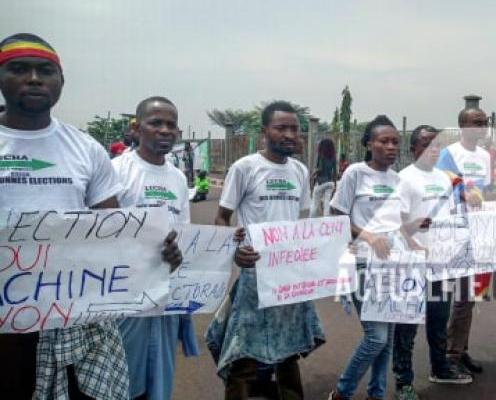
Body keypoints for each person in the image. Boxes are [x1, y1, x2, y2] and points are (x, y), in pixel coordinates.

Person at [0, 32, 182, 400]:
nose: (34, 79)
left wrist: (158, 255)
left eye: (46, 71)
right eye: (19, 69)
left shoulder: (85, 149)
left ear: (61, 82)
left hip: (73, 316)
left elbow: (113, 234)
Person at [205, 101, 324, 400]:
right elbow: (222, 217)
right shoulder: (245, 168)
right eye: (281, 127)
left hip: (288, 275)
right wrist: (234, 250)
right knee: (243, 353)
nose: (289, 134)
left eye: (294, 129)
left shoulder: (299, 170)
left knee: (288, 350)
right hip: (254, 276)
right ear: (265, 131)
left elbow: (302, 223)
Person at [113, 96, 199, 400]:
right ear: (136, 129)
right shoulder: (116, 171)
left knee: (160, 379)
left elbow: (184, 231)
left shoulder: (177, 177)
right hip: (124, 296)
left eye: (171, 125)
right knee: (123, 379)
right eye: (156, 123)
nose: (165, 130)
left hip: (164, 294)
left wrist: (178, 254)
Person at [329, 115, 411, 400]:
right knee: (375, 336)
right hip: (361, 261)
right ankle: (342, 392)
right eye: (384, 141)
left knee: (386, 337)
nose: (391, 147)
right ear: (368, 144)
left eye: (395, 143)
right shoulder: (355, 173)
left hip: (392, 265)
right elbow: (337, 215)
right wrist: (369, 237)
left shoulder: (397, 179)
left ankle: (377, 392)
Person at [392, 125, 473, 399]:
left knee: (439, 320)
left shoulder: (446, 179)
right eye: (426, 145)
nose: (432, 150)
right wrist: (412, 226)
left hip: (441, 263)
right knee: (407, 326)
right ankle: (403, 381)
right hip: (411, 264)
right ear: (413, 148)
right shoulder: (404, 179)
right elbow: (394, 223)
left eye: (437, 145)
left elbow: (455, 216)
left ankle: (440, 367)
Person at [435, 106, 492, 375]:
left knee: (470, 296)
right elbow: (441, 187)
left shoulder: (485, 156)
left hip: (480, 231)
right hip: (455, 233)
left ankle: (460, 348)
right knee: (453, 295)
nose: (481, 126)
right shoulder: (449, 154)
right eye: (476, 122)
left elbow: (488, 190)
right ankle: (449, 352)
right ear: (462, 125)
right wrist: (463, 194)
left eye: (484, 122)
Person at [310, 138, 337, 217]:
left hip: (321, 182)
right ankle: (326, 220)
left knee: (315, 203)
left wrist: (312, 174)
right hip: (330, 182)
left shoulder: (321, 156)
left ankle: (311, 220)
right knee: (327, 203)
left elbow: (320, 169)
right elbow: (335, 172)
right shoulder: (333, 157)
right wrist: (335, 184)